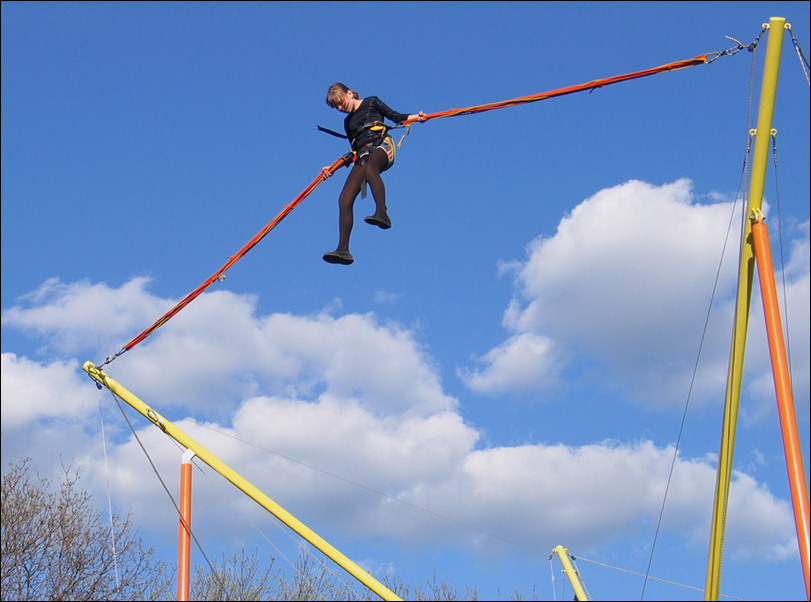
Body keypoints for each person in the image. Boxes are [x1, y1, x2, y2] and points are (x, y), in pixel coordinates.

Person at [320, 83, 426, 265]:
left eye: (340, 102)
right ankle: (343, 250)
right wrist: (333, 167)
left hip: (382, 146)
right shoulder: (348, 123)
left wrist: (417, 117)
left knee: (371, 168)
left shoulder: (371, 102)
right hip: (362, 155)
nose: (340, 108)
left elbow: (396, 117)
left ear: (350, 93)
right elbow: (353, 149)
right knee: (344, 199)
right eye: (336, 107)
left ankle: (382, 213)